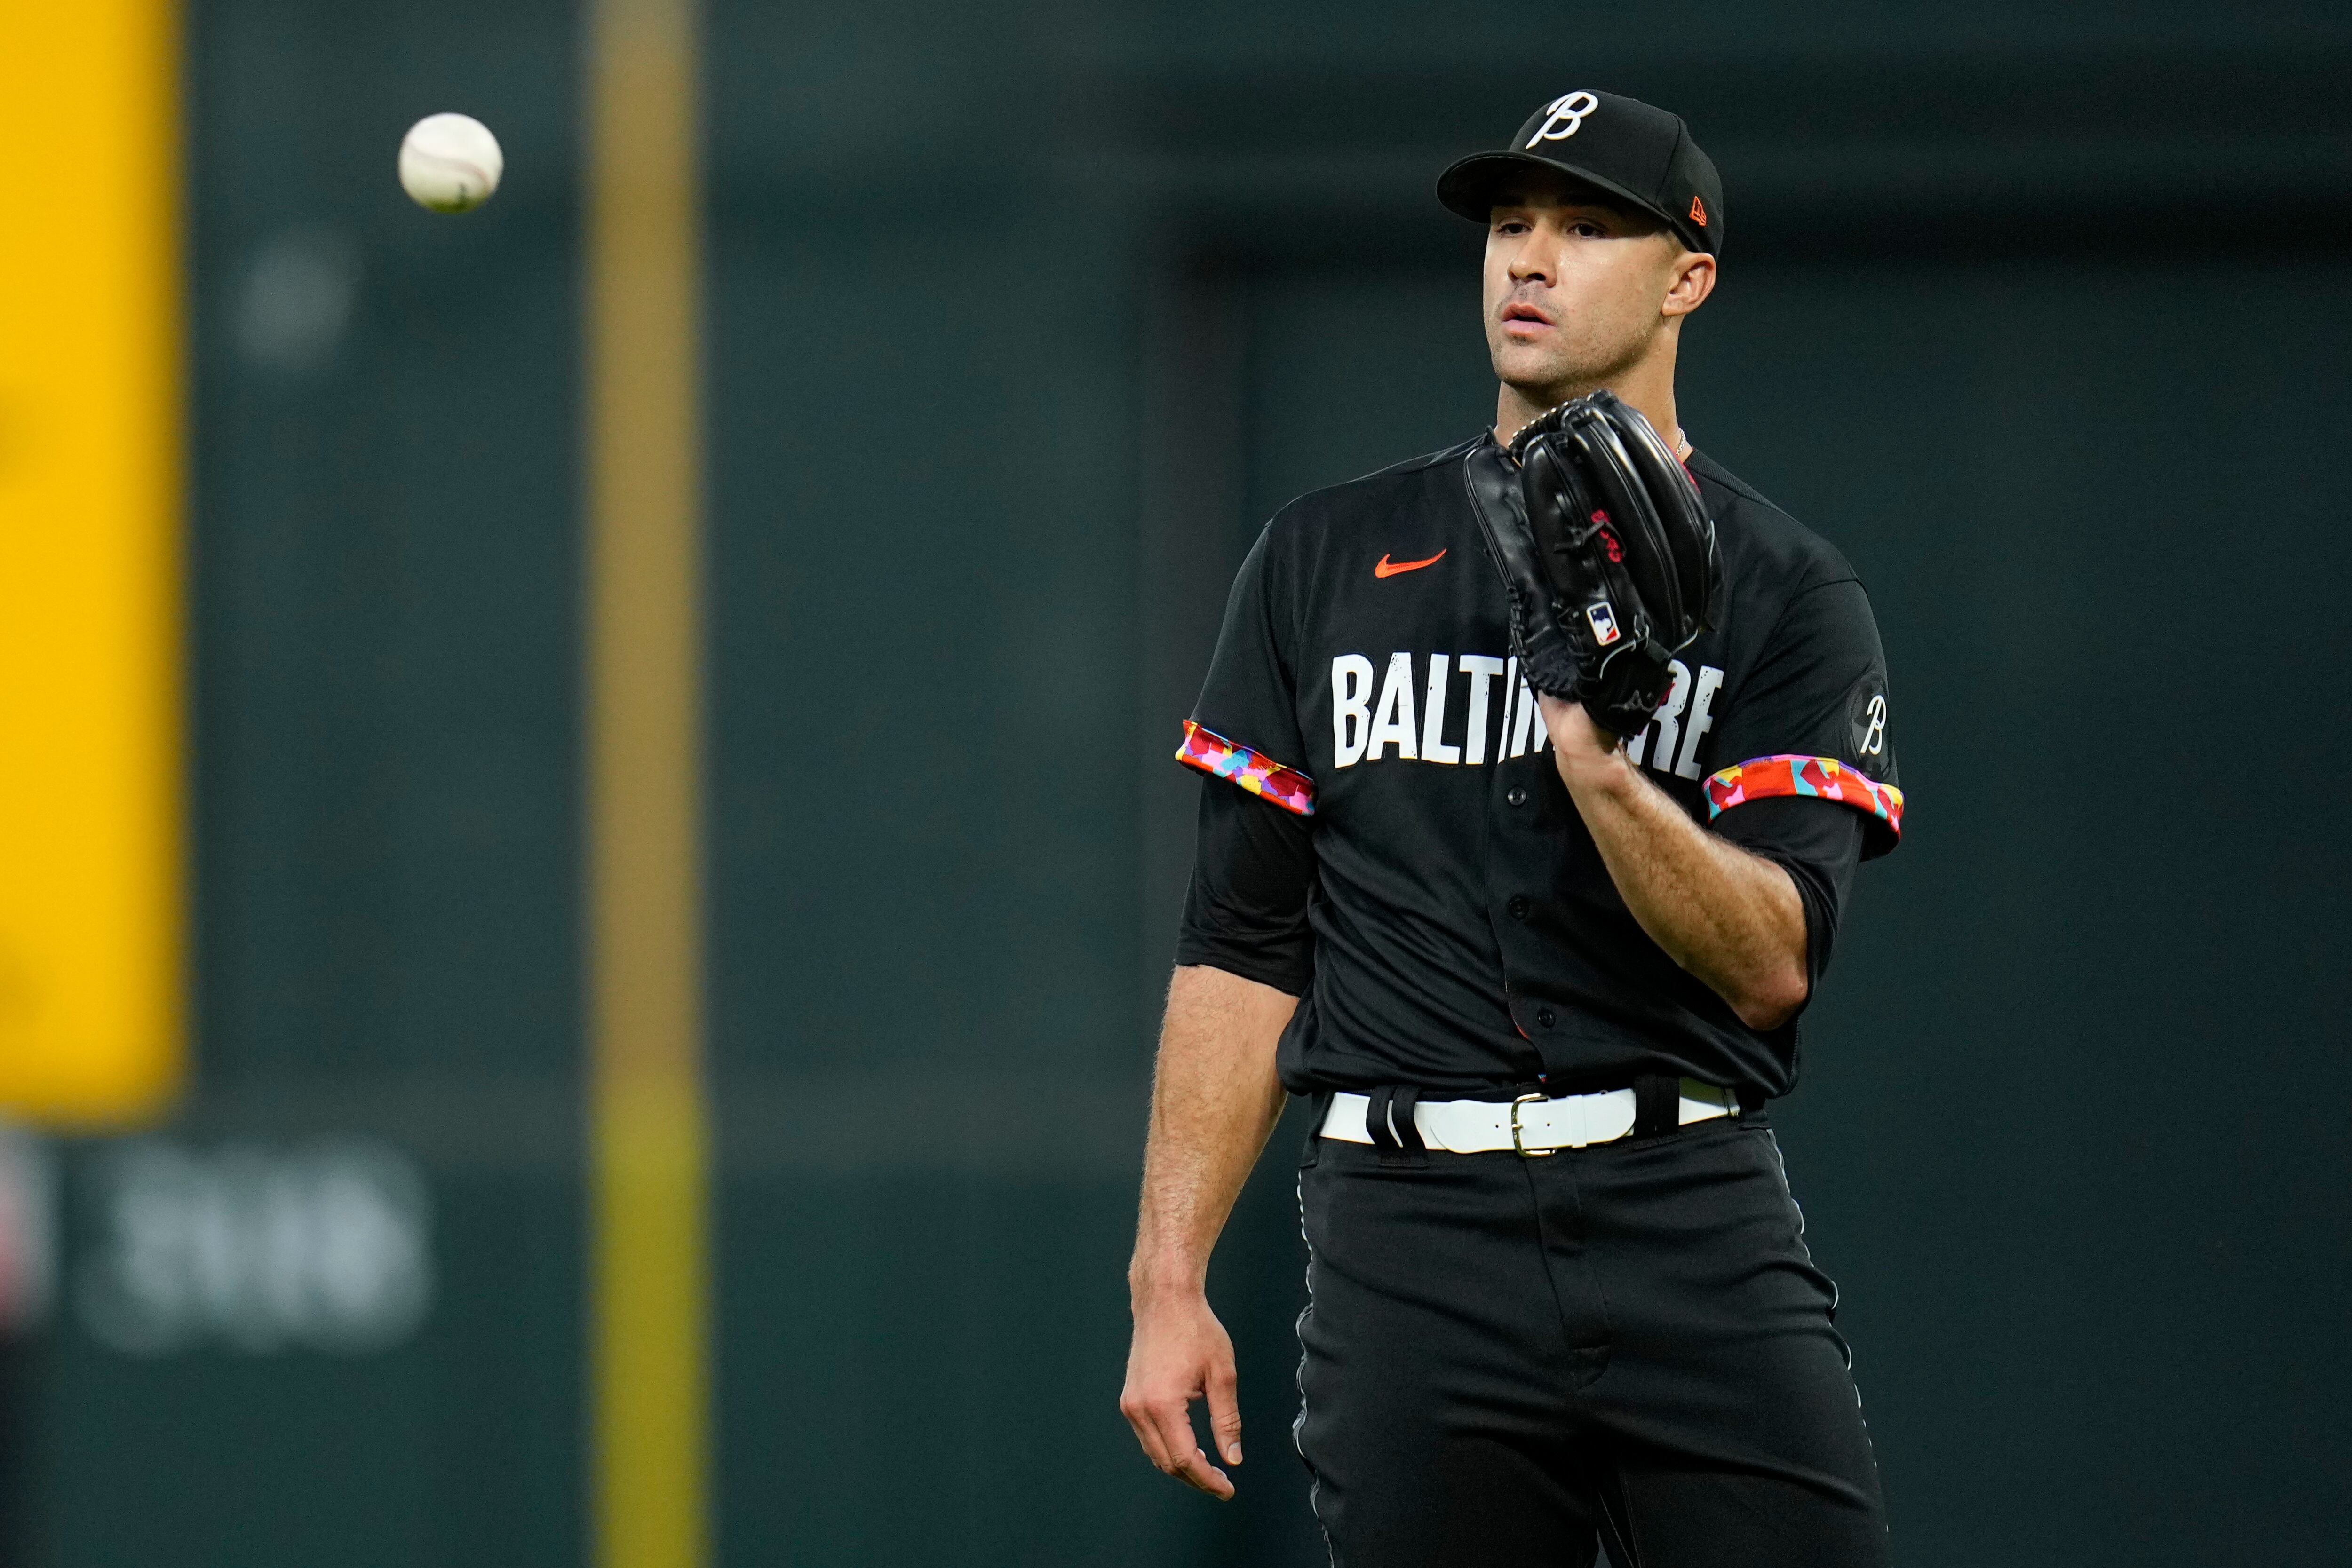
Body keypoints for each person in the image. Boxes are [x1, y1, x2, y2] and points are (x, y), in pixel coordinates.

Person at [1118, 89, 1906, 1567]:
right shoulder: (1324, 557)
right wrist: (1169, 1276)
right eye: (1510, 224)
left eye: (1589, 226)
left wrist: (1606, 771)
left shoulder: (1788, 591)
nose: (1530, 261)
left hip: (1686, 1209)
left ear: (1689, 277)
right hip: (1408, 1241)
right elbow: (1241, 944)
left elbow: (1772, 965)